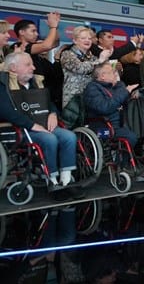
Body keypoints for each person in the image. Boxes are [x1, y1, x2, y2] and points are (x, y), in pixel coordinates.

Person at [0, 52, 83, 201]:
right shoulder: (3, 86)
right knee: (49, 139)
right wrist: (32, 125)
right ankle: (51, 180)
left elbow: (47, 102)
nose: (33, 67)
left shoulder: (35, 82)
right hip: (20, 129)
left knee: (69, 136)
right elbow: (6, 111)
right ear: (13, 68)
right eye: (28, 65)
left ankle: (66, 180)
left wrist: (52, 113)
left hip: (43, 124)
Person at [84, 62, 144, 176]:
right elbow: (105, 107)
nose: (116, 74)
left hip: (125, 121)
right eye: (112, 72)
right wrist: (125, 92)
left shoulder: (118, 85)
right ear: (102, 76)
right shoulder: (92, 88)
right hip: (105, 125)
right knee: (133, 134)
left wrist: (135, 94)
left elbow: (124, 100)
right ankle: (123, 164)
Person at [13, 12, 61, 86]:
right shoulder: (19, 47)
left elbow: (55, 43)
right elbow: (47, 46)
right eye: (33, 31)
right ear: (21, 32)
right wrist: (53, 27)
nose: (37, 34)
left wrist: (55, 28)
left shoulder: (33, 45)